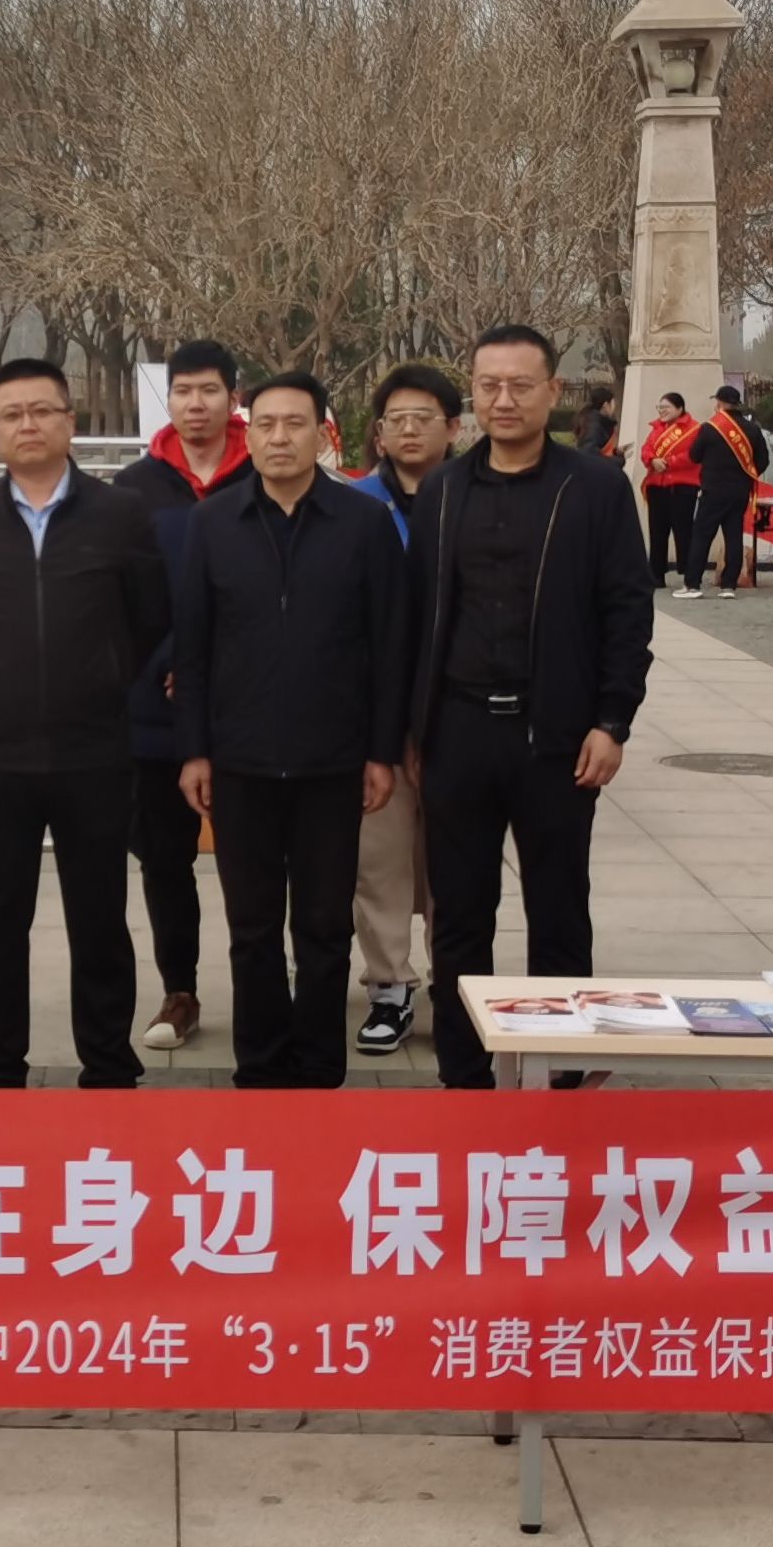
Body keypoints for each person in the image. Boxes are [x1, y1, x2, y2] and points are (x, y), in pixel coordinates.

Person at [411, 325, 654, 1090]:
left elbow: (627, 612)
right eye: (488, 385)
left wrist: (611, 721)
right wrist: (408, 729)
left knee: (558, 907)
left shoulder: (595, 488)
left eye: (520, 385)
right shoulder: (442, 490)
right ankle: (464, 1076)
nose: (503, 399)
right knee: (459, 915)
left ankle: (561, 1069)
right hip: (457, 729)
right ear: (472, 394)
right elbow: (414, 616)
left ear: (553, 391)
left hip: (555, 735)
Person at [0, 358, 168, 1089]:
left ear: (69, 421)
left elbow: (151, 615)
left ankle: (108, 1064)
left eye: (41, 410)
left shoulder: (121, 515)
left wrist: (102, 677)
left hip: (95, 749)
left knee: (100, 916)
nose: (27, 424)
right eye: (11, 414)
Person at [175, 371, 403, 1089]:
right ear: (249, 435)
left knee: (323, 926)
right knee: (251, 929)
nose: (279, 438)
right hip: (238, 761)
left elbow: (388, 646)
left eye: (294, 424)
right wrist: (195, 750)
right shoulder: (213, 523)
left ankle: (319, 1067)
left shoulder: (363, 524)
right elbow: (193, 647)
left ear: (321, 433)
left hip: (332, 761)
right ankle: (261, 1067)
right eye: (265, 425)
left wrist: (381, 751)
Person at [112, 339, 252, 1052]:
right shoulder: (132, 489)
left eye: (209, 390)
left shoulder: (266, 475)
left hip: (246, 707)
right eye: (183, 391)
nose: (196, 404)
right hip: (153, 711)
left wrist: (207, 664)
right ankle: (179, 990)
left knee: (255, 862)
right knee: (164, 859)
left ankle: (262, 989)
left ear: (233, 396)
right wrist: (169, 662)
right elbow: (118, 599)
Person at [344, 363, 459, 1052]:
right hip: (374, 724)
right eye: (396, 420)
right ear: (379, 433)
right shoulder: (351, 507)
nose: (409, 430)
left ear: (453, 427)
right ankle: (389, 986)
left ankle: (454, 982)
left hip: (458, 719)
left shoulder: (473, 498)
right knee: (378, 861)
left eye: (424, 418)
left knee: (454, 862)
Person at [677, 384, 763, 600]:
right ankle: (729, 585)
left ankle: (692, 584)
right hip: (740, 491)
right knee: (733, 536)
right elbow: (762, 461)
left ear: (721, 403)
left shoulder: (710, 428)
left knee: (702, 536)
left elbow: (694, 455)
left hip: (713, 490)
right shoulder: (752, 429)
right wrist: (744, 475)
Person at [639, 391, 701, 587]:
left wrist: (667, 462)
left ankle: (689, 575)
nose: (662, 411)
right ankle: (656, 575)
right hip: (657, 486)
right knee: (657, 532)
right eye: (660, 407)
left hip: (682, 487)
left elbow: (693, 455)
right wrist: (652, 460)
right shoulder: (657, 428)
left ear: (679, 408)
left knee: (684, 532)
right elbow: (646, 449)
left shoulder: (694, 429)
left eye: (666, 407)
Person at [575, 385, 621, 458]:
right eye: (613, 404)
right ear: (606, 405)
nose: (614, 407)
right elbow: (591, 455)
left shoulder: (597, 423)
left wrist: (616, 453)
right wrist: (616, 460)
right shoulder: (594, 426)